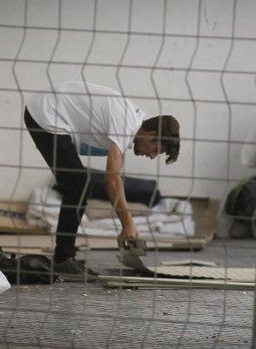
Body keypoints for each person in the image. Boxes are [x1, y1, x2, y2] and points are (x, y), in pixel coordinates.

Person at [24, 81, 180, 280]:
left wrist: (127, 222)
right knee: (77, 184)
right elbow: (112, 179)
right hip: (45, 113)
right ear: (151, 134)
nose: (151, 156)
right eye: (156, 150)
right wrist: (128, 224)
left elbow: (117, 179)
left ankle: (64, 257)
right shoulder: (126, 123)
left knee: (78, 183)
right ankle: (63, 260)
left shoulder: (128, 127)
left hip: (49, 112)